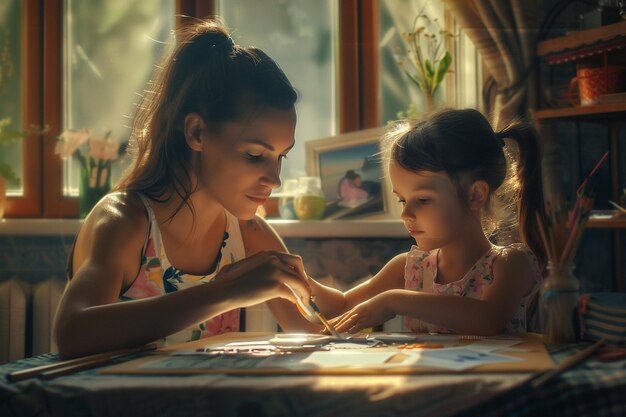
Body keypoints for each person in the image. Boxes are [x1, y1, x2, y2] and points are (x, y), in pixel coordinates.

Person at [53, 19, 315, 359]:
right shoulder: (125, 221)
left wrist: (393, 287)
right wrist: (225, 293)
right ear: (196, 133)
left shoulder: (246, 232)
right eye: (255, 155)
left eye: (281, 157)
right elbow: (72, 333)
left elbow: (318, 320)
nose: (274, 179)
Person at [308, 108, 546, 336]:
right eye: (402, 200)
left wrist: (395, 301)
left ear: (475, 195)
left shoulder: (511, 264)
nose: (406, 214)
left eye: (422, 200)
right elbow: (342, 305)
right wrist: (301, 284)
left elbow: (488, 319)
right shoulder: (410, 268)